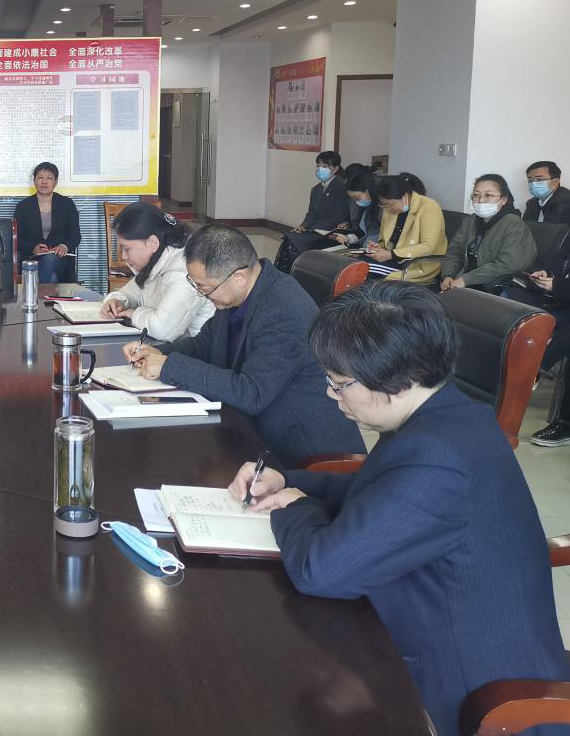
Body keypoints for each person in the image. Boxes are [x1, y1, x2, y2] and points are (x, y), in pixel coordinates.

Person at [228, 282, 567, 736]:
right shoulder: (449, 415)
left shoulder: (438, 458)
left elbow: (321, 571)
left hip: (473, 695)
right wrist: (289, 480)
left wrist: (295, 507)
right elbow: (385, 492)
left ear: (399, 381)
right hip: (440, 632)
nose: (331, 394)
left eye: (340, 383)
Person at [122, 224, 365, 466]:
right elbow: (204, 345)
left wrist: (169, 367)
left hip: (302, 454)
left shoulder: (284, 309)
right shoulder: (237, 294)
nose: (200, 294)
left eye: (204, 287)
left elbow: (251, 392)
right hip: (248, 430)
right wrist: (156, 353)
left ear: (239, 276)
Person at [97, 203, 214, 341]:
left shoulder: (185, 272)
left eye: (127, 249)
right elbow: (130, 293)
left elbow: (163, 329)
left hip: (197, 353)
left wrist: (132, 313)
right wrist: (117, 301)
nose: (123, 256)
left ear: (153, 243)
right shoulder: (155, 262)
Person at [439, 174, 537, 293]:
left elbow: (509, 264)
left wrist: (466, 280)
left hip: (498, 286)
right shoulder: (470, 221)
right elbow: (454, 252)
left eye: (488, 195)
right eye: (476, 195)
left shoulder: (513, 223)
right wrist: (447, 276)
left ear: (503, 200)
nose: (480, 200)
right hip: (463, 284)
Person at [358, 173, 446, 284]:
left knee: (362, 268)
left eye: (390, 204)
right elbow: (385, 239)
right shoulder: (389, 209)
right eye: (383, 205)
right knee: (355, 263)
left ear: (404, 196)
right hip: (393, 259)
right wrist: (378, 247)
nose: (387, 208)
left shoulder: (429, 207)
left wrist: (391, 254)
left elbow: (429, 247)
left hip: (413, 265)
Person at [275, 150, 351, 272]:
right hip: (318, 229)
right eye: (318, 166)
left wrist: (313, 229)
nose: (320, 169)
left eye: (325, 166)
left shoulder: (341, 187)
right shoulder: (316, 189)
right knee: (290, 239)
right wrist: (303, 226)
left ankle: (286, 274)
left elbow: (340, 216)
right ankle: (283, 273)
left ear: (336, 169)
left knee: (293, 242)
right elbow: (312, 213)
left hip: (332, 232)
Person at [528, 237, 570, 446]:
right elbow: (558, 263)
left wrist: (558, 285)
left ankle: (531, 371)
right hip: (563, 303)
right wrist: (547, 275)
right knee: (524, 322)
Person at [13, 162, 80, 283]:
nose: (44, 182)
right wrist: (33, 248)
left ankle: (34, 292)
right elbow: (17, 239)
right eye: (40, 177)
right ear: (34, 181)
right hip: (32, 259)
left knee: (50, 260)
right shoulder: (23, 206)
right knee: (52, 277)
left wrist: (64, 246)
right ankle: (42, 293)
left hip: (61, 260)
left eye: (49, 178)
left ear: (56, 182)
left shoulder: (67, 204)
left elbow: (75, 236)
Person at [326, 166, 383, 249]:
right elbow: (360, 232)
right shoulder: (357, 206)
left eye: (357, 197)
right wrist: (348, 238)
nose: (355, 201)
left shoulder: (384, 208)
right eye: (352, 198)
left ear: (368, 190)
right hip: (365, 247)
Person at [523, 160, 570, 224]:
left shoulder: (564, 201)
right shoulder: (532, 202)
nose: (533, 184)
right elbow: (524, 226)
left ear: (555, 182)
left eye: (539, 179)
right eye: (530, 180)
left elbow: (552, 228)